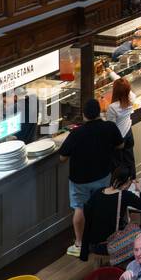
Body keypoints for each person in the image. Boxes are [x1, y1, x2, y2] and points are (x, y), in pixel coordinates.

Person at [59, 98, 123, 257]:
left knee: (79, 208)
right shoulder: (109, 127)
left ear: (84, 115)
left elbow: (62, 157)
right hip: (102, 175)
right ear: (99, 112)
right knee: (101, 205)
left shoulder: (77, 133)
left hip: (80, 179)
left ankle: (80, 243)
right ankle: (102, 239)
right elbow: (120, 145)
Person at [80, 165, 141, 262]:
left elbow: (87, 222)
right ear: (128, 181)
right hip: (111, 245)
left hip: (93, 245)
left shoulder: (97, 193)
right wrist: (139, 189)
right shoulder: (124, 195)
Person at [105, 76, 136, 170]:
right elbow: (123, 86)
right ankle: (133, 180)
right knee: (130, 160)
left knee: (118, 164)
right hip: (129, 133)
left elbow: (111, 126)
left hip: (118, 137)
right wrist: (110, 72)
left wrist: (103, 115)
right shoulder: (131, 98)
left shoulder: (113, 107)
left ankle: (120, 184)